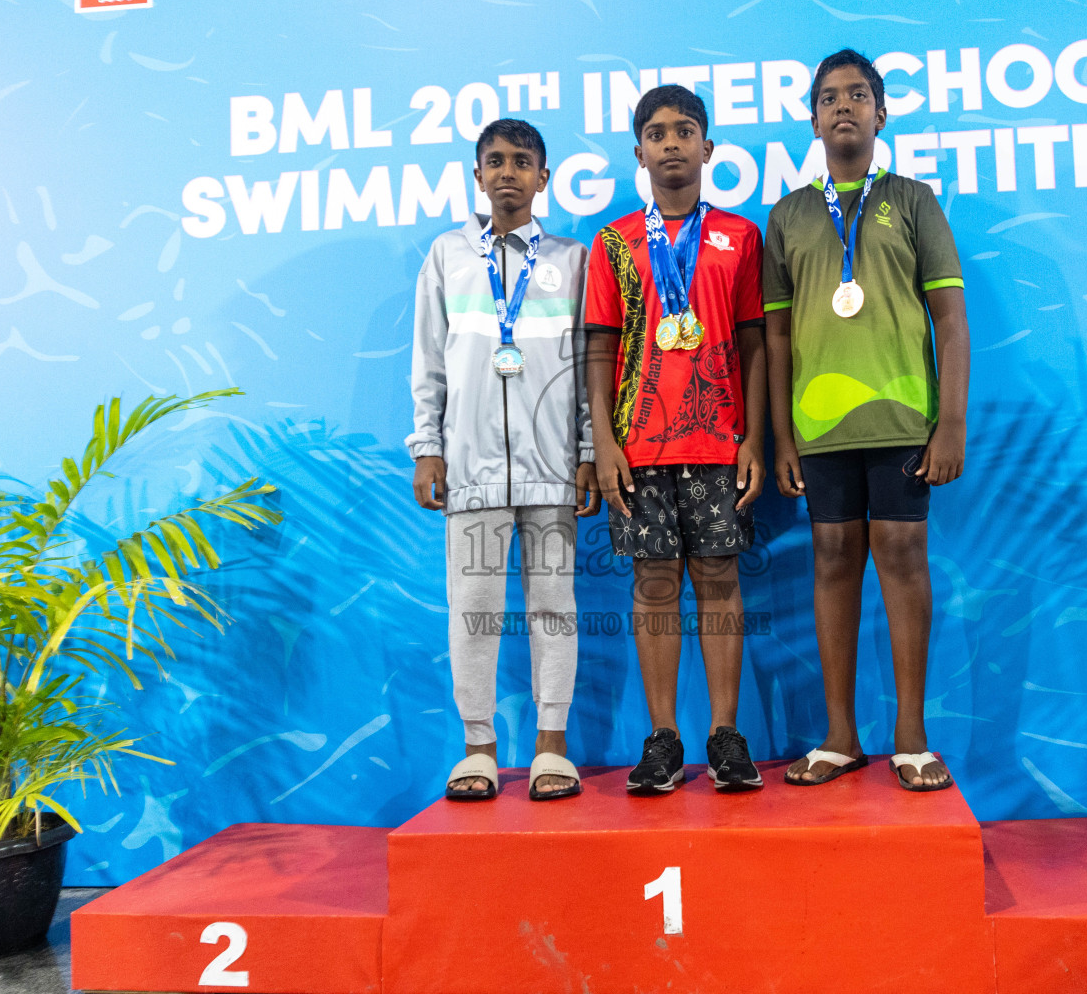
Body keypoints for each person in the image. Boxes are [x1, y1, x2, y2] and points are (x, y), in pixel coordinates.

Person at [763, 49, 970, 791]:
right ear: (813, 119)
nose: (843, 106)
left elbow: (949, 317)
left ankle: (911, 736)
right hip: (820, 430)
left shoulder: (913, 201)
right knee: (831, 563)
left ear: (881, 114)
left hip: (903, 419)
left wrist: (950, 424)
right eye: (828, 97)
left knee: (905, 560)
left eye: (858, 95)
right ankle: (841, 736)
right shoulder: (786, 216)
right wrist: (782, 436)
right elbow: (778, 337)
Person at [407, 119, 600, 802]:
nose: (508, 173)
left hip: (552, 470)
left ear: (544, 178)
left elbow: (584, 369)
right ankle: (479, 748)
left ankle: (553, 746)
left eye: (523, 162)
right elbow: (429, 362)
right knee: (476, 610)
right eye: (495, 161)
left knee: (555, 606)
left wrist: (584, 453)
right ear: (477, 174)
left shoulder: (573, 260)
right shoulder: (448, 256)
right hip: (472, 470)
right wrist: (429, 448)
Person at [584, 85, 767, 795]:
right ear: (639, 152)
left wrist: (753, 435)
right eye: (656, 133)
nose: (670, 143)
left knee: (719, 581)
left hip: (720, 440)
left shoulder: (740, 237)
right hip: (638, 447)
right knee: (654, 584)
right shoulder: (615, 244)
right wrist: (603, 442)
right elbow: (599, 351)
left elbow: (755, 344)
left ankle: (726, 735)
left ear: (708, 148)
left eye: (684, 131)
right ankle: (663, 738)